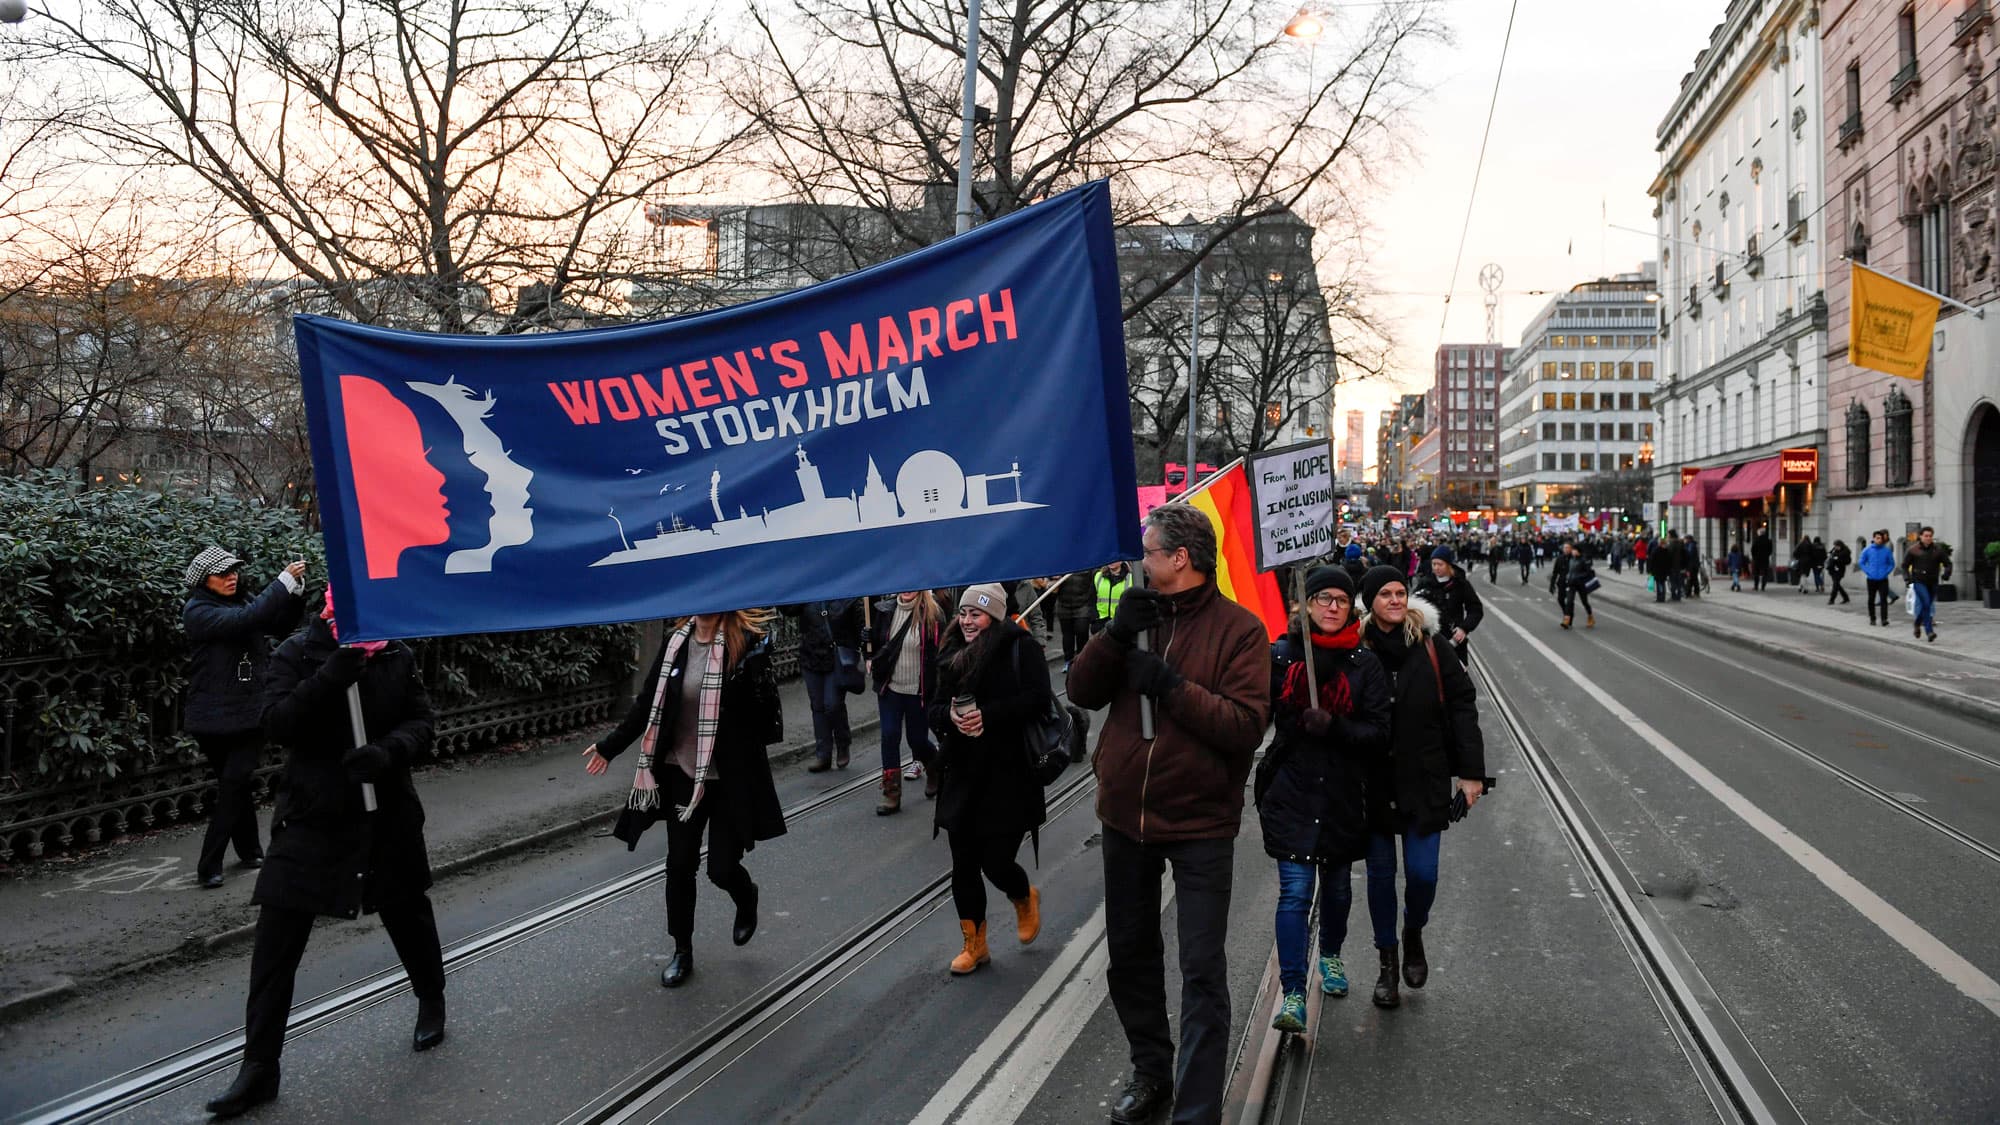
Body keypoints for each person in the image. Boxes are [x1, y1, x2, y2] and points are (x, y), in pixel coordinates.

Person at [203, 588, 444, 1120]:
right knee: (275, 943)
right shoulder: (296, 653)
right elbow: (278, 722)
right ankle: (259, 1067)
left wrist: (388, 752)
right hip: (311, 818)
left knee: (407, 913)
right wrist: (333, 674)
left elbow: (422, 724)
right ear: (328, 608)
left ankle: (431, 996)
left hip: (385, 812)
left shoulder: (397, 655)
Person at [1067, 504, 1271, 1125]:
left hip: (1200, 822)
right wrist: (1115, 635)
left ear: (1179, 558)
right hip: (1126, 816)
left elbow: (1243, 727)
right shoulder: (1138, 615)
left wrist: (1169, 686)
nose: (1141, 561)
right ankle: (1150, 1069)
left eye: (1150, 551)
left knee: (1202, 968)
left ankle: (1198, 1108)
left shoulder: (1240, 630)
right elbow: (1081, 691)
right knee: (1130, 953)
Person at [584, 610, 786, 988]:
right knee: (679, 866)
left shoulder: (744, 645)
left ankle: (745, 895)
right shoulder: (676, 643)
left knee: (722, 869)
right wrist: (610, 748)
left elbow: (762, 718)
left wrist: (756, 672)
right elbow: (648, 704)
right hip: (681, 773)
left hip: (727, 778)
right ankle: (682, 950)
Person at [1256, 567, 1391, 1034]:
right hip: (1292, 793)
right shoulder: (1282, 655)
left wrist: (1335, 726)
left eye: (1341, 600)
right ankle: (1293, 990)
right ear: (1306, 604)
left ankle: (1330, 954)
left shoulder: (1363, 663)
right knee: (1294, 894)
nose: (1332, 607)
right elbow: (1254, 713)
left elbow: (1379, 733)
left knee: (1335, 890)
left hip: (1341, 796)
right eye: (1323, 598)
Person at [1355, 565, 1486, 1010]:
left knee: (1423, 874)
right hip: (1371, 779)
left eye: (1400, 592)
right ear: (1369, 602)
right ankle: (1387, 963)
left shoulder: (1431, 647)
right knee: (1378, 877)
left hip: (1424, 777)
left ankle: (1414, 930)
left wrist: (1472, 774)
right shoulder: (1356, 647)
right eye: (1385, 594)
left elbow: (1464, 705)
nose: (1395, 599)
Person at [927, 583, 1051, 975]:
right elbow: (931, 709)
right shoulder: (949, 652)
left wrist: (990, 715)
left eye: (976, 614)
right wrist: (947, 716)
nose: (966, 621)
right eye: (963, 613)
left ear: (995, 616)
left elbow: (1038, 698)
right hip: (962, 772)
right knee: (963, 863)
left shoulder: (1019, 647)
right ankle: (975, 944)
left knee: (995, 860)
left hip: (1008, 773)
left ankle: (1022, 896)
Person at [181, 547, 307, 889]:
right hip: (211, 717)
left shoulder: (243, 600)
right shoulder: (199, 610)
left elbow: (277, 624)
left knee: (235, 782)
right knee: (232, 785)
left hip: (251, 712)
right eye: (223, 573)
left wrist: (294, 593)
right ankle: (250, 849)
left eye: (234, 571)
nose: (231, 576)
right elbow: (247, 620)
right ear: (204, 581)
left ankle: (209, 864)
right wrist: (281, 582)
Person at [871, 590, 945, 812]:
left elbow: (942, 651)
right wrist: (866, 643)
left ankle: (935, 768)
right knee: (889, 735)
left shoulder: (933, 614)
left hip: (919, 690)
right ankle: (891, 794)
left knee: (917, 740)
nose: (907, 588)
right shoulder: (884, 610)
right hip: (891, 687)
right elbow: (877, 645)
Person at [782, 598, 864, 771]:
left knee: (832, 704)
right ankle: (823, 754)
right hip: (811, 656)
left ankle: (843, 743)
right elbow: (788, 608)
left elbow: (858, 620)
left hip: (835, 657)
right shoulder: (807, 591)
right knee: (817, 706)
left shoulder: (844, 592)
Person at [1412, 545, 1482, 665]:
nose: (1436, 568)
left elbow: (1475, 609)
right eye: (1434, 564)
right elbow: (1413, 606)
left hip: (1454, 640)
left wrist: (1464, 628)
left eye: (1440, 564)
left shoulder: (1461, 584)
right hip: (1430, 640)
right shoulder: (1425, 583)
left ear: (1448, 564)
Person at [1903, 527, 1953, 643]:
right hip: (1919, 581)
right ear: (1920, 536)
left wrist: (1946, 574)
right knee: (1926, 603)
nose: (1928, 538)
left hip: (1933, 581)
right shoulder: (1913, 550)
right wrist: (1907, 579)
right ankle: (1929, 631)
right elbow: (1905, 566)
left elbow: (1948, 563)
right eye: (1926, 536)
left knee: (1927, 605)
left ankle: (1917, 623)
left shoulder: (1937, 550)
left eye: (1930, 536)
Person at [1056, 569, 1098, 670]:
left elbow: (1094, 581)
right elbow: (1049, 584)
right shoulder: (1061, 565)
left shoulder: (1087, 565)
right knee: (1067, 635)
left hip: (1083, 605)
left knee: (1082, 632)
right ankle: (1068, 660)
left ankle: (1082, 659)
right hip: (1063, 605)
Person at [1550, 540, 1596, 629]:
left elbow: (1588, 572)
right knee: (1569, 601)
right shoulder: (1570, 559)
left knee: (1584, 602)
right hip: (1571, 584)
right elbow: (1561, 571)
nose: (1572, 551)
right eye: (1565, 548)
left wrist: (1578, 576)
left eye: (1573, 550)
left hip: (1581, 584)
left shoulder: (1583, 559)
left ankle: (1590, 616)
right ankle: (1567, 619)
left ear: (1577, 551)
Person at [1859, 529, 1897, 626]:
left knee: (1883, 599)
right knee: (1871, 599)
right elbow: (1861, 562)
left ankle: (1884, 619)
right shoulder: (1867, 550)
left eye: (1881, 538)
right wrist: (1868, 571)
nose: (1879, 540)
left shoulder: (1886, 551)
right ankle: (1872, 618)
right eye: (1877, 538)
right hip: (1871, 579)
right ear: (1874, 538)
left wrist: (1886, 572)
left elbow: (1891, 563)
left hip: (1883, 579)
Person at [1092, 560, 1134, 636]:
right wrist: (1094, 619)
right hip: (1100, 622)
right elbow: (1091, 598)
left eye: (1115, 559)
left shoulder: (1131, 578)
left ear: (1122, 560)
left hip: (1121, 622)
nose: (1112, 561)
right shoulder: (1098, 576)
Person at [1648, 529, 1680, 603]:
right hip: (1664, 571)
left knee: (1660, 584)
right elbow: (1668, 561)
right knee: (1663, 583)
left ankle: (1660, 597)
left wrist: (1650, 570)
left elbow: (1652, 561)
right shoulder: (1667, 551)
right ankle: (1663, 596)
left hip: (1657, 570)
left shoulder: (1656, 550)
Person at [1825, 538, 1853, 606]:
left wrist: (1837, 559)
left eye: (1837, 546)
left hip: (1840, 570)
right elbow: (1830, 554)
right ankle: (1846, 598)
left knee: (1835, 585)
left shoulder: (1845, 552)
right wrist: (1830, 556)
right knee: (1837, 585)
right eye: (1835, 546)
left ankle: (1832, 600)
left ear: (1840, 545)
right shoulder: (1834, 550)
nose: (1836, 547)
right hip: (1832, 569)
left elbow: (1848, 561)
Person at [1751, 526, 1775, 591]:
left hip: (1757, 559)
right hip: (1765, 559)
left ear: (1760, 533)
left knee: (1756, 573)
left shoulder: (1756, 540)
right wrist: (1767, 555)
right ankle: (1763, 587)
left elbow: (1753, 549)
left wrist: (1754, 557)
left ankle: (1756, 586)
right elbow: (1770, 550)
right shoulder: (1768, 540)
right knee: (1765, 573)